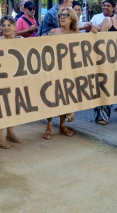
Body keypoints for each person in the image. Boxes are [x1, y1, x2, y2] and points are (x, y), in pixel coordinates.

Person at [43, 7, 79, 139]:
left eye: (65, 15)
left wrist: (94, 31)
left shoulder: (76, 34)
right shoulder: (53, 32)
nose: (62, 17)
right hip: (53, 70)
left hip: (68, 70)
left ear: (72, 18)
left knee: (64, 97)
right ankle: (49, 125)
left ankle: (63, 125)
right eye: (60, 15)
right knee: (52, 97)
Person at [0, 15, 22, 148]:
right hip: (1, 79)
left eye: (9, 25)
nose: (6, 28)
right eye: (3, 25)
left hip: (15, 79)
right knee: (1, 108)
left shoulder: (21, 40)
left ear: (15, 27)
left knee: (12, 106)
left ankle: (10, 133)